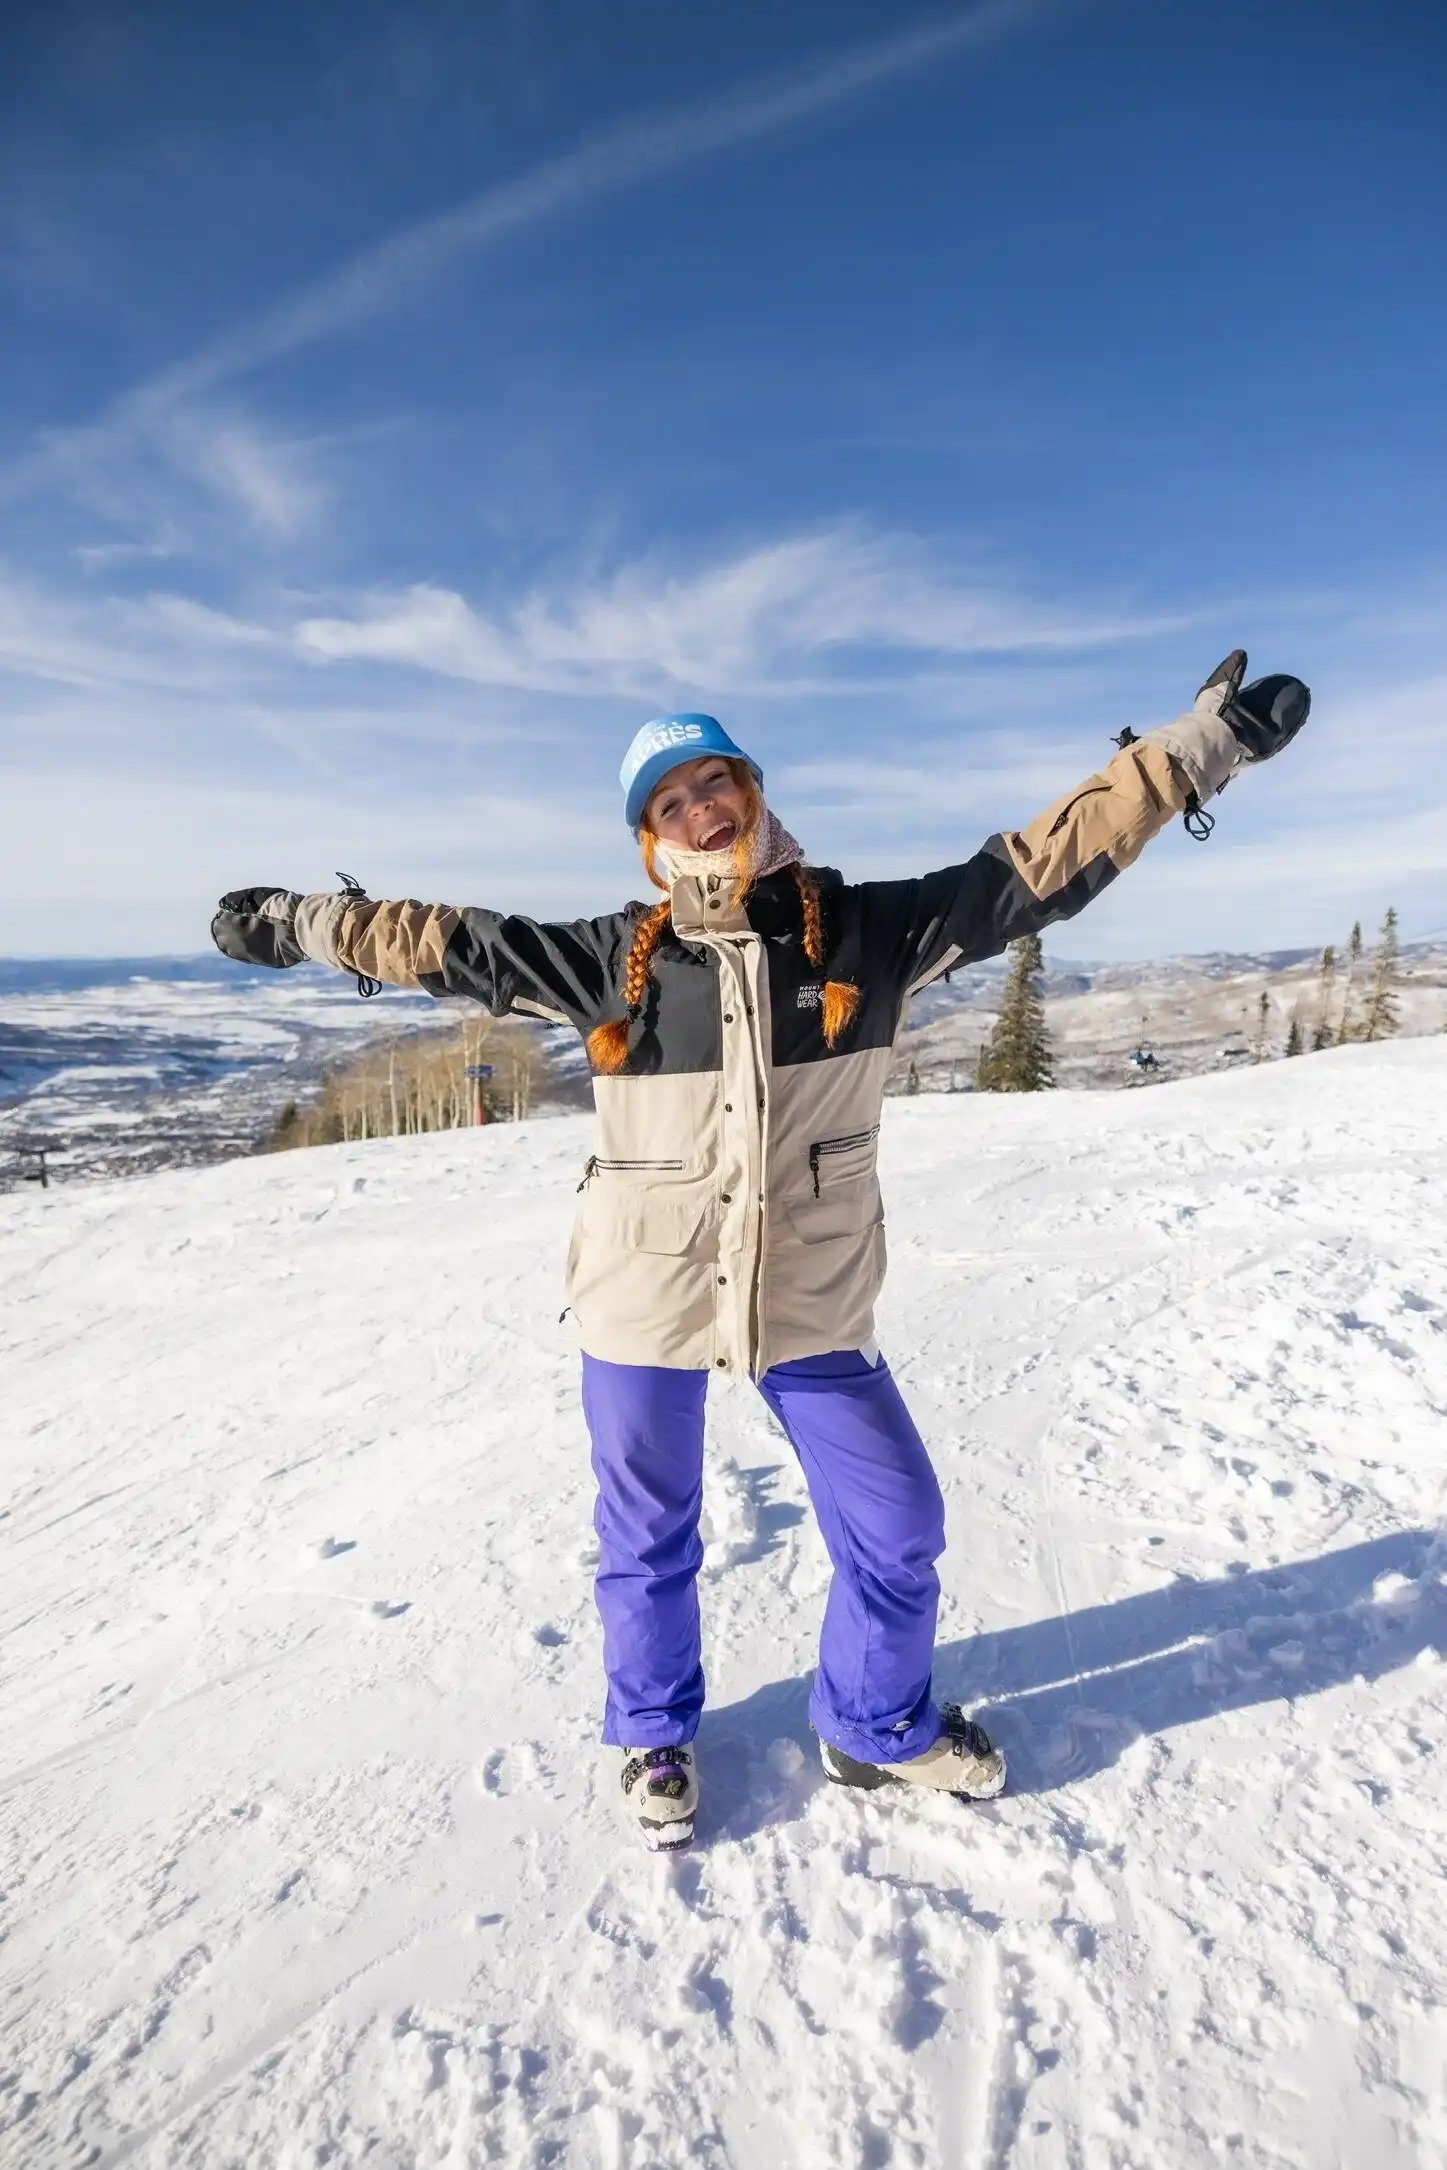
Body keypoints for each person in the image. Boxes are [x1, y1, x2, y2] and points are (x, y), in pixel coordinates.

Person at [213, 648, 1310, 1852]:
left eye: (714, 782)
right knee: (646, 1531)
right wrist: (299, 921)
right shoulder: (615, 959)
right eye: (670, 801)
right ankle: (652, 1734)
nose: (701, 810)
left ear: (750, 789)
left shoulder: (865, 932)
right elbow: (444, 941)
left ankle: (874, 1724)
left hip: (807, 1291)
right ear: (650, 837)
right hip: (645, 1290)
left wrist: (1200, 749)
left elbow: (1036, 868)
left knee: (896, 1521)